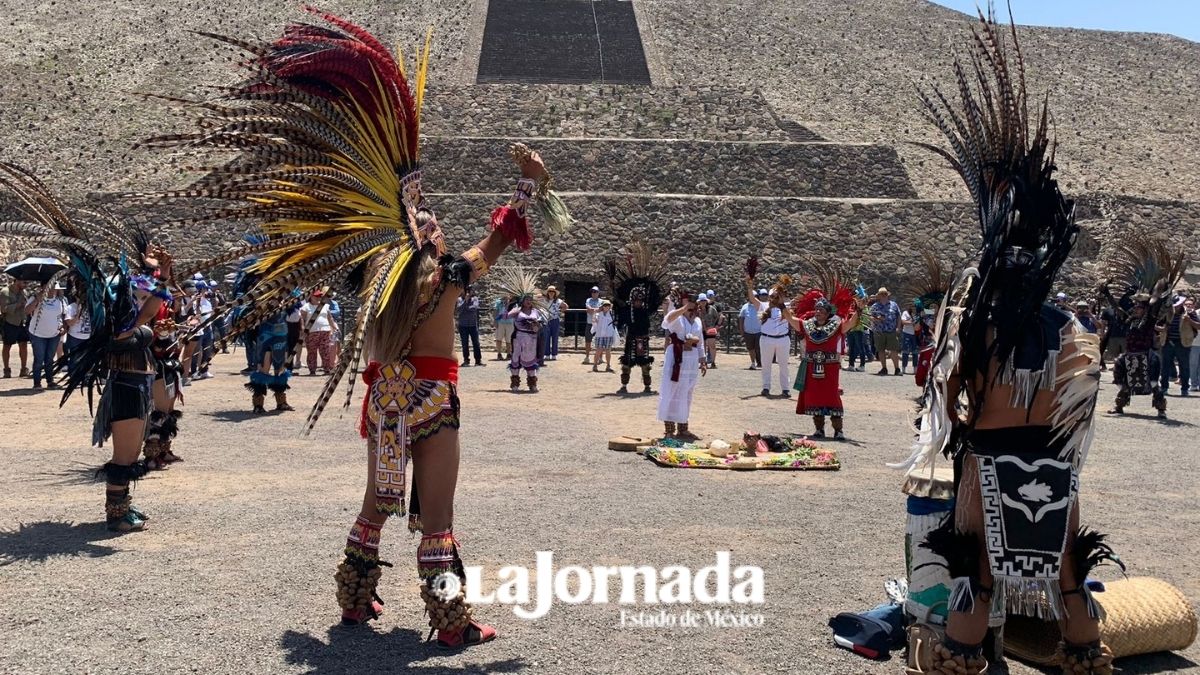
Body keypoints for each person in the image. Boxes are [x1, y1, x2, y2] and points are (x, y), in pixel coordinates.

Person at [895, 16, 1120, 675]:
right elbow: (1081, 423)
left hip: (989, 461)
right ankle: (1084, 652)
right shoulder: (1076, 332)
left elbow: (950, 400)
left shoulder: (975, 326)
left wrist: (972, 417)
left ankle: (964, 655)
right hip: (1054, 466)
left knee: (978, 571)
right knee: (1069, 567)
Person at [658, 293, 706, 439]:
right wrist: (684, 308)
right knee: (672, 391)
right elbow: (668, 319)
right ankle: (669, 430)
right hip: (676, 358)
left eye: (693, 304)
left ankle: (683, 428)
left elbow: (701, 341)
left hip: (691, 359)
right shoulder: (677, 318)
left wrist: (702, 359)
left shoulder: (697, 321)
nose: (692, 307)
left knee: (687, 393)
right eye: (689, 303)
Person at [744, 275, 792, 397]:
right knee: (766, 365)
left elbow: (799, 301)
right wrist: (750, 287)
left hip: (783, 339)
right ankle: (766, 387)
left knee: (783, 365)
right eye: (772, 296)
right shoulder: (763, 306)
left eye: (777, 296)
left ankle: (785, 389)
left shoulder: (786, 306)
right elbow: (752, 298)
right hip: (767, 339)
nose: (774, 299)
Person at [26, 281, 68, 389]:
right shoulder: (35, 298)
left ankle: (50, 381)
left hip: (54, 334)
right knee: (39, 358)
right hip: (38, 333)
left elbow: (63, 316)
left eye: (54, 287)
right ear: (43, 287)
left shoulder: (61, 300)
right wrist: (37, 300)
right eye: (49, 286)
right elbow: (27, 311)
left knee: (49, 358)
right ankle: (37, 382)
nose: (52, 289)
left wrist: (64, 327)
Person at [1159, 296, 1198, 396]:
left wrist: (1189, 320)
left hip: (1183, 343)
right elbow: (1158, 325)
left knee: (1184, 367)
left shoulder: (1190, 313)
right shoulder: (1167, 313)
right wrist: (1162, 329)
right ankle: (1164, 387)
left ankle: (1184, 388)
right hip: (1168, 342)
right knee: (1165, 366)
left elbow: (1198, 326)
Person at [508, 295, 542, 391]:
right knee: (516, 359)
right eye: (526, 299)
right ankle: (515, 383)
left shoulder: (536, 311)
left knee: (531, 359)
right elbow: (507, 316)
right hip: (519, 338)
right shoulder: (517, 310)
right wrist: (515, 308)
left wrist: (537, 326)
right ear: (522, 301)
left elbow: (542, 322)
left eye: (530, 300)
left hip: (532, 339)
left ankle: (532, 383)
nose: (529, 301)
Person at [302, 289, 338, 375]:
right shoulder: (306, 307)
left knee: (325, 350)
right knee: (312, 351)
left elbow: (330, 318)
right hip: (312, 331)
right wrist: (303, 328)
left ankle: (326, 369)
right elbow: (302, 319)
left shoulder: (325, 306)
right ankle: (312, 369)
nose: (318, 298)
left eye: (320, 296)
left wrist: (334, 327)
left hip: (325, 330)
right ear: (311, 296)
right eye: (316, 296)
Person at [1, 280, 31, 378]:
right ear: (17, 281)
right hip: (10, 322)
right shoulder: (5, 292)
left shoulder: (24, 292)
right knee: (7, 346)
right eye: (24, 283)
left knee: (23, 344)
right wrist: (18, 305)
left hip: (22, 322)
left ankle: (23, 368)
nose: (25, 285)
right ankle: (6, 369)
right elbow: (4, 309)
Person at [869, 287, 902, 375]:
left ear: (887, 295)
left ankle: (897, 369)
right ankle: (884, 368)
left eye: (885, 294)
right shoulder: (875, 306)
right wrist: (876, 319)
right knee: (881, 350)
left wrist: (898, 327)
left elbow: (898, 316)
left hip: (891, 330)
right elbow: (870, 317)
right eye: (881, 294)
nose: (883, 296)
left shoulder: (894, 305)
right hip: (879, 331)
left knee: (894, 350)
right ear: (879, 296)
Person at [64, 288, 94, 372]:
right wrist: (78, 311)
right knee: (74, 359)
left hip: (87, 337)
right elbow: (70, 323)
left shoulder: (91, 307)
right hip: (75, 337)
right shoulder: (71, 307)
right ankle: (73, 376)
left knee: (85, 359)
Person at [455, 286, 483, 367]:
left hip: (473, 325)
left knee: (476, 343)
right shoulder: (459, 299)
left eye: (470, 291)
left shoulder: (475, 299)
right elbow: (458, 310)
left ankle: (478, 360)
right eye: (466, 290)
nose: (468, 292)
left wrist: (466, 307)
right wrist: (465, 302)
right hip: (463, 325)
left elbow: (474, 308)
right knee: (464, 343)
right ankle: (466, 360)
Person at [739, 289, 765, 369]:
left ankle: (761, 362)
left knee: (759, 348)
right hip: (748, 331)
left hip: (759, 331)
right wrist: (742, 330)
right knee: (751, 348)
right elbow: (741, 318)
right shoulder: (745, 307)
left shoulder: (760, 306)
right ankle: (753, 362)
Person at [845, 295, 871, 372]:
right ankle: (851, 365)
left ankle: (862, 365)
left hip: (859, 330)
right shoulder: (853, 308)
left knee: (860, 348)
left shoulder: (865, 309)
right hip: (851, 329)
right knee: (851, 348)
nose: (858, 301)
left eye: (860, 300)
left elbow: (865, 321)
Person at [542, 285, 568, 361]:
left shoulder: (558, 301)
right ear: (547, 292)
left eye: (552, 291)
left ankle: (554, 354)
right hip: (546, 320)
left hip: (555, 319)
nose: (551, 293)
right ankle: (546, 354)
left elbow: (565, 306)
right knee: (546, 337)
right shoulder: (544, 300)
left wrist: (560, 311)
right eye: (549, 291)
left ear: (555, 293)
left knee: (555, 337)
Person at [591, 299, 616, 372]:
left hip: (608, 334)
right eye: (605, 305)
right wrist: (595, 313)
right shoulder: (598, 314)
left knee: (608, 350)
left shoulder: (612, 313)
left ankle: (608, 365)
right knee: (598, 350)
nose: (606, 307)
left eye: (608, 305)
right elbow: (594, 322)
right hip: (600, 335)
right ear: (602, 306)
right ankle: (595, 365)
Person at [698, 293, 722, 368]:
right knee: (702, 346)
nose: (703, 302)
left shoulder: (712, 308)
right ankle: (703, 362)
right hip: (701, 330)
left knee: (712, 345)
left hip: (710, 329)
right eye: (701, 301)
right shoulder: (697, 309)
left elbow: (718, 317)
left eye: (704, 301)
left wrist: (716, 326)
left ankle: (713, 362)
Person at [582, 286, 602, 364]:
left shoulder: (601, 301)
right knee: (588, 341)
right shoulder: (588, 300)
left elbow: (600, 309)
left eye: (595, 292)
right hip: (590, 323)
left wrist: (593, 310)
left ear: (598, 293)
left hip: (599, 324)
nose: (594, 293)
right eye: (593, 292)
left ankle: (600, 357)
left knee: (600, 341)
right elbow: (589, 309)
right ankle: (587, 357)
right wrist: (596, 310)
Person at [492, 294, 514, 360]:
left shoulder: (512, 302)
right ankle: (499, 353)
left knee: (509, 339)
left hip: (510, 323)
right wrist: (495, 322)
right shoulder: (498, 302)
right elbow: (495, 312)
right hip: (500, 322)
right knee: (499, 338)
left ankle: (509, 353)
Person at [899, 301, 919, 374]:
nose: (912, 307)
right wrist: (912, 322)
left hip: (915, 335)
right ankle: (904, 368)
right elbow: (903, 322)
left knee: (915, 352)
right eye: (911, 305)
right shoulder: (905, 313)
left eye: (914, 305)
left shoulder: (918, 312)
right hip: (906, 333)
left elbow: (932, 312)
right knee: (905, 351)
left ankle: (915, 369)